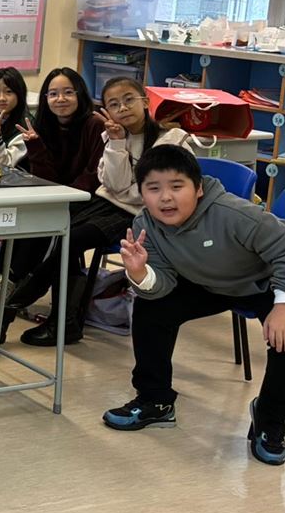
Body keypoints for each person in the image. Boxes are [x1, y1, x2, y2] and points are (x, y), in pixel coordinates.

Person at [103, 145, 285, 466]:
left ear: (198, 188)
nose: (166, 198)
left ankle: (272, 419)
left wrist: (284, 306)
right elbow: (162, 283)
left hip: (267, 282)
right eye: (154, 188)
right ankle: (155, 400)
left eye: (177, 186)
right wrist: (140, 274)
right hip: (208, 282)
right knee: (151, 308)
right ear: (142, 193)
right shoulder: (146, 226)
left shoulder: (234, 213)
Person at [14, 75, 193, 346]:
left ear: (145, 101)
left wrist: (127, 190)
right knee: (52, 225)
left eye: (129, 99)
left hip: (144, 217)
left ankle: (25, 306)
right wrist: (118, 144)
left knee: (72, 239)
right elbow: (115, 185)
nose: (123, 108)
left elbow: (154, 195)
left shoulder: (171, 139)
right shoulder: (112, 136)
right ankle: (56, 317)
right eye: (114, 104)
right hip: (106, 205)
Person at [0, 68, 105, 339]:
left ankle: (6, 300)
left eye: (68, 92)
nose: (60, 99)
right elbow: (46, 178)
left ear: (80, 94)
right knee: (30, 220)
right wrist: (36, 147)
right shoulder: (43, 126)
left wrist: (65, 196)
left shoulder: (94, 125)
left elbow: (95, 175)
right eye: (53, 94)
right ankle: (6, 293)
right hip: (59, 199)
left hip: (90, 202)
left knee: (50, 231)